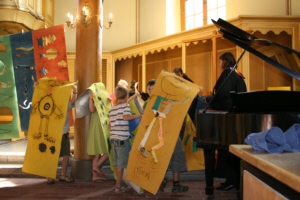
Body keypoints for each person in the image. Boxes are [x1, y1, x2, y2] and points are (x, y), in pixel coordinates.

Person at [202, 52, 247, 191]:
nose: (220, 63)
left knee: (226, 150)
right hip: (236, 116)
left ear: (225, 61)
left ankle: (231, 180)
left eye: (221, 61)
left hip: (227, 118)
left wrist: (209, 100)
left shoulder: (227, 73)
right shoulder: (237, 74)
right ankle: (231, 179)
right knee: (230, 150)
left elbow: (223, 95)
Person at [108, 85, 142, 193]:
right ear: (127, 96)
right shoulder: (126, 106)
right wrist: (137, 116)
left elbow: (109, 125)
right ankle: (118, 186)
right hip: (122, 140)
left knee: (118, 162)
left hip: (113, 139)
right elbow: (125, 117)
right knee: (121, 164)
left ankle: (121, 183)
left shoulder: (112, 109)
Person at [47, 83, 77, 184]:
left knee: (66, 154)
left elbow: (73, 102)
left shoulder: (64, 103)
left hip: (64, 132)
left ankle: (62, 175)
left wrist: (75, 91)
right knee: (52, 155)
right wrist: (37, 87)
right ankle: (50, 175)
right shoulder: (50, 102)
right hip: (53, 132)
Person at [87, 90, 109, 182]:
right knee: (107, 151)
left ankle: (95, 176)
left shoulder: (103, 100)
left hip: (100, 127)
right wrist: (91, 99)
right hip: (98, 128)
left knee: (98, 154)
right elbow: (92, 109)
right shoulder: (94, 100)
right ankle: (96, 167)